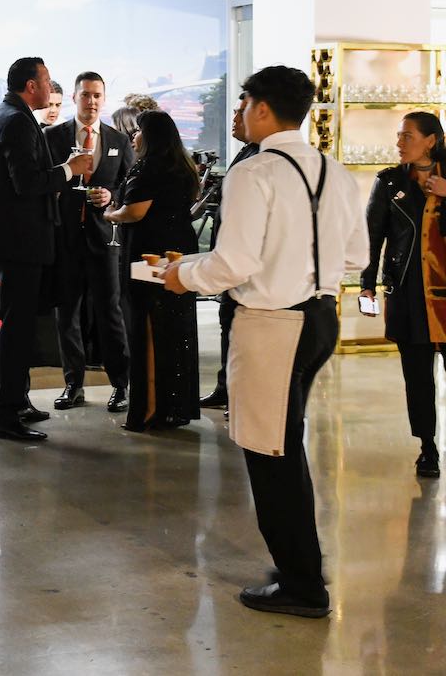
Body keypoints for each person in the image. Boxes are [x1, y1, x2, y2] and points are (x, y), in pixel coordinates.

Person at [163, 65, 367, 618]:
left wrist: (184, 275)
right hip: (322, 318)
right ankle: (299, 562)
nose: (237, 113)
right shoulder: (335, 170)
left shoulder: (253, 174)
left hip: (273, 325)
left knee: (268, 451)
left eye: (243, 101)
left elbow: (234, 263)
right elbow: (356, 258)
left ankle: (303, 584)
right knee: (284, 442)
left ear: (261, 108)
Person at [0, 57, 93, 442]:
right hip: (19, 241)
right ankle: (4, 413)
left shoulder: (5, 116)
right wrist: (70, 170)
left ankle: (17, 400)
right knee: (17, 328)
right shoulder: (13, 120)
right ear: (30, 86)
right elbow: (26, 183)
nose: (50, 85)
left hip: (15, 240)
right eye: (45, 79)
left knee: (18, 326)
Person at [361, 111, 446, 478]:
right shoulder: (389, 181)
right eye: (398, 136)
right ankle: (427, 447)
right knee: (417, 377)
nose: (399, 143)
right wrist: (367, 284)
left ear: (431, 139)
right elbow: (373, 235)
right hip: (410, 291)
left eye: (407, 136)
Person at [104, 110, 199, 431]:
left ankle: (149, 410)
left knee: (146, 325)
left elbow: (135, 212)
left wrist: (110, 215)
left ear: (151, 135)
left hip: (149, 258)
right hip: (177, 256)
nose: (134, 136)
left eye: (139, 131)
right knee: (176, 326)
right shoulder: (182, 166)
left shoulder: (147, 167)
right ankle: (175, 405)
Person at [44, 71, 133, 412]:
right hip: (65, 238)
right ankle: (73, 384)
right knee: (67, 313)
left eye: (97, 96)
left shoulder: (118, 141)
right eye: (86, 95)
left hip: (105, 239)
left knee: (109, 311)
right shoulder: (54, 137)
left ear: (103, 99)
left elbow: (128, 185)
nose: (92, 101)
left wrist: (112, 195)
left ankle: (120, 384)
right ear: (75, 98)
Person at [199, 92, 260, 410]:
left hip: (246, 265)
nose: (235, 119)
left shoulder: (262, 160)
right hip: (229, 256)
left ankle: (237, 392)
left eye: (240, 113)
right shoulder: (247, 152)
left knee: (240, 329)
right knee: (228, 322)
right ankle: (226, 386)